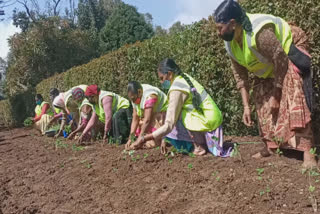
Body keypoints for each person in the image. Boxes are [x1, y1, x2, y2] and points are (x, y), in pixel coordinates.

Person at [214, 0, 315, 167]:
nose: (218, 33)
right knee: (260, 94)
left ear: (232, 24)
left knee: (292, 85)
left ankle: (308, 151)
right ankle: (271, 146)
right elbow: (240, 77)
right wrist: (246, 106)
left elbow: (281, 59)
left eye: (219, 28)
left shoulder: (258, 32)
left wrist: (276, 96)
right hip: (271, 65)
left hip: (289, 50)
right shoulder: (230, 43)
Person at [132, 58, 230, 157]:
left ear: (169, 74)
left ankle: (198, 147)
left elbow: (169, 125)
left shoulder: (176, 89)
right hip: (214, 122)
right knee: (176, 116)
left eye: (162, 78)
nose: (161, 82)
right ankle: (201, 144)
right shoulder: (184, 77)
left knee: (171, 123)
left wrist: (144, 138)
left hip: (207, 126)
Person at [125, 81, 168, 150]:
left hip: (162, 115)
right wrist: (131, 138)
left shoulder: (150, 96)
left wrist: (140, 139)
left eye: (133, 99)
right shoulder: (134, 96)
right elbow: (135, 118)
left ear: (139, 92)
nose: (133, 101)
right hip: (150, 115)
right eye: (131, 99)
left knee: (152, 142)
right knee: (141, 124)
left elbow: (147, 119)